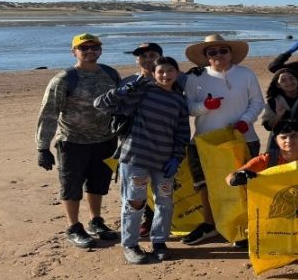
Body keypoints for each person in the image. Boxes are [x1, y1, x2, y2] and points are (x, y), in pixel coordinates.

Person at [94, 56, 190, 264]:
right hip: (136, 158)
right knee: (135, 202)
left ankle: (159, 242)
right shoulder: (143, 92)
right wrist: (124, 90)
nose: (166, 75)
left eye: (170, 71)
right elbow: (101, 104)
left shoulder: (179, 101)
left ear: (177, 72)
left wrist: (176, 157)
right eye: (161, 72)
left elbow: (182, 133)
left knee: (164, 202)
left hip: (164, 162)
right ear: (154, 74)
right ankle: (130, 244)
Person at [35, 33, 120, 249]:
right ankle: (73, 226)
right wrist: (42, 147)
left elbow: (121, 105)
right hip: (73, 142)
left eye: (94, 47)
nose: (90, 51)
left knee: (98, 184)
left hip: (105, 140)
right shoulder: (64, 79)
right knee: (71, 186)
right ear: (74, 52)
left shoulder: (110, 74)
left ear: (100, 49)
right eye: (84, 48)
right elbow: (48, 113)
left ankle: (96, 221)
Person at [181, 34, 265, 246]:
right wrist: (204, 107)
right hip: (205, 141)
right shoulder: (195, 77)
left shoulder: (245, 74)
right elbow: (188, 107)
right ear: (206, 56)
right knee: (205, 185)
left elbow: (257, 102)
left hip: (243, 138)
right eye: (212, 52)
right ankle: (209, 224)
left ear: (230, 53)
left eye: (223, 51)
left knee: (242, 183)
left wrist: (246, 120)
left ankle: (243, 226)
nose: (218, 55)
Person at [124, 42, 165, 239]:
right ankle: (131, 236)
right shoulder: (129, 81)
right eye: (143, 56)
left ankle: (157, 226)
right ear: (136, 59)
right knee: (135, 192)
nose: (148, 60)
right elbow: (111, 107)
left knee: (162, 191)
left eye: (152, 55)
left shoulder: (169, 79)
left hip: (163, 144)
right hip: (134, 146)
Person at [259, 68, 298, 150]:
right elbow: (268, 126)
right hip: (282, 142)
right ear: (278, 85)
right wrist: (278, 116)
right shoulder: (273, 102)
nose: (289, 82)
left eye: (292, 78)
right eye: (283, 80)